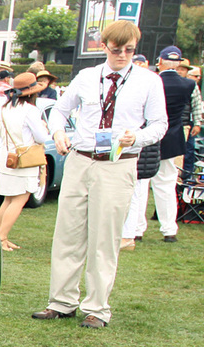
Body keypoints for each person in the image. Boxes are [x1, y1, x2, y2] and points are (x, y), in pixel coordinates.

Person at [34, 20, 166, 328]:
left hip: (118, 164)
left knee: (104, 238)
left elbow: (160, 125)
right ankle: (61, 302)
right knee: (67, 233)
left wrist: (139, 137)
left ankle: (96, 308)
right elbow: (59, 110)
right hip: (80, 160)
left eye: (129, 50)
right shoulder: (86, 76)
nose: (122, 56)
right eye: (117, 49)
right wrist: (58, 132)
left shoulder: (148, 81)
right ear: (104, 46)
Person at [121, 45, 195, 247]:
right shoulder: (188, 85)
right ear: (179, 63)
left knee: (141, 184)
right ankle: (169, 229)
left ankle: (137, 229)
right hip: (172, 138)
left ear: (160, 62)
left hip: (149, 137)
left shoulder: (151, 81)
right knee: (167, 184)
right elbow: (194, 111)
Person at [0, 72, 53, 250]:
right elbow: (42, 137)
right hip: (24, 159)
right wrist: (44, 127)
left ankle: (1, 236)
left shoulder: (5, 108)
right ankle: (2, 238)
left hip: (7, 157)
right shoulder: (31, 111)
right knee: (19, 199)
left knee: (9, 199)